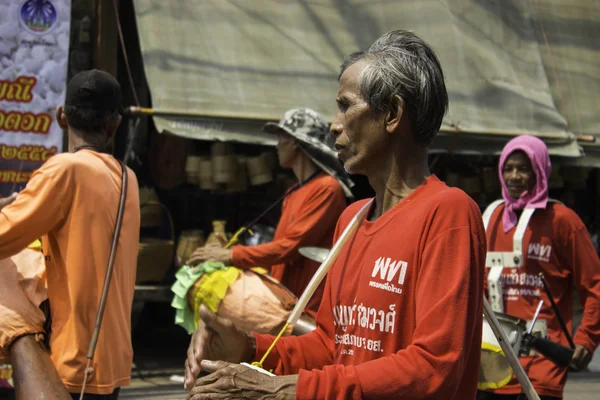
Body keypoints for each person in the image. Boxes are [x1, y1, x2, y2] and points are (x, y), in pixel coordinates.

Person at [184, 30, 486, 399]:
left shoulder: (448, 213)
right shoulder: (352, 220)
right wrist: (249, 347)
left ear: (392, 113)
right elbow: (331, 346)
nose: (334, 124)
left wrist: (289, 390)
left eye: (345, 105)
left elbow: (434, 366)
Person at [0, 69, 140, 399]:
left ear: (62, 116)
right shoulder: (128, 179)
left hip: (74, 359)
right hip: (112, 359)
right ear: (115, 123)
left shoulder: (66, 170)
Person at [187, 108, 351, 318]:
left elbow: (290, 247)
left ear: (294, 142)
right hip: (283, 299)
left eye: (281, 137)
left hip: (307, 306)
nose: (277, 145)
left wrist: (231, 255)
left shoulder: (327, 189)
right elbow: (279, 249)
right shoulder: (293, 191)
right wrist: (232, 248)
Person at [478, 135, 600, 400]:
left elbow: (595, 285)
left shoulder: (563, 221)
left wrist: (586, 340)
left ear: (541, 171)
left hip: (543, 368)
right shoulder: (491, 218)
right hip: (491, 368)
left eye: (523, 168)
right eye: (508, 168)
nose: (514, 176)